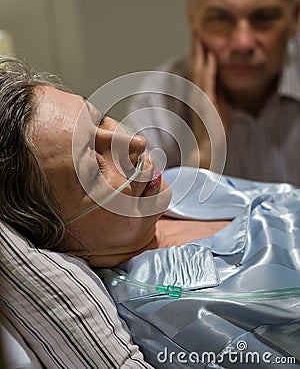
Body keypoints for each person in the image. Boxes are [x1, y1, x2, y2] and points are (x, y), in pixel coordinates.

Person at [1, 56, 299, 368]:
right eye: (94, 168)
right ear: (58, 236)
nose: (136, 141)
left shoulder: (181, 182)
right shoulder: (172, 316)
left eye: (100, 119)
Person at [128, 0, 300, 185]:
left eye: (263, 17)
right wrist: (205, 153)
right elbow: (134, 220)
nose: (243, 43)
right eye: (221, 18)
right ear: (192, 16)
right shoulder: (160, 100)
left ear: (295, 17)